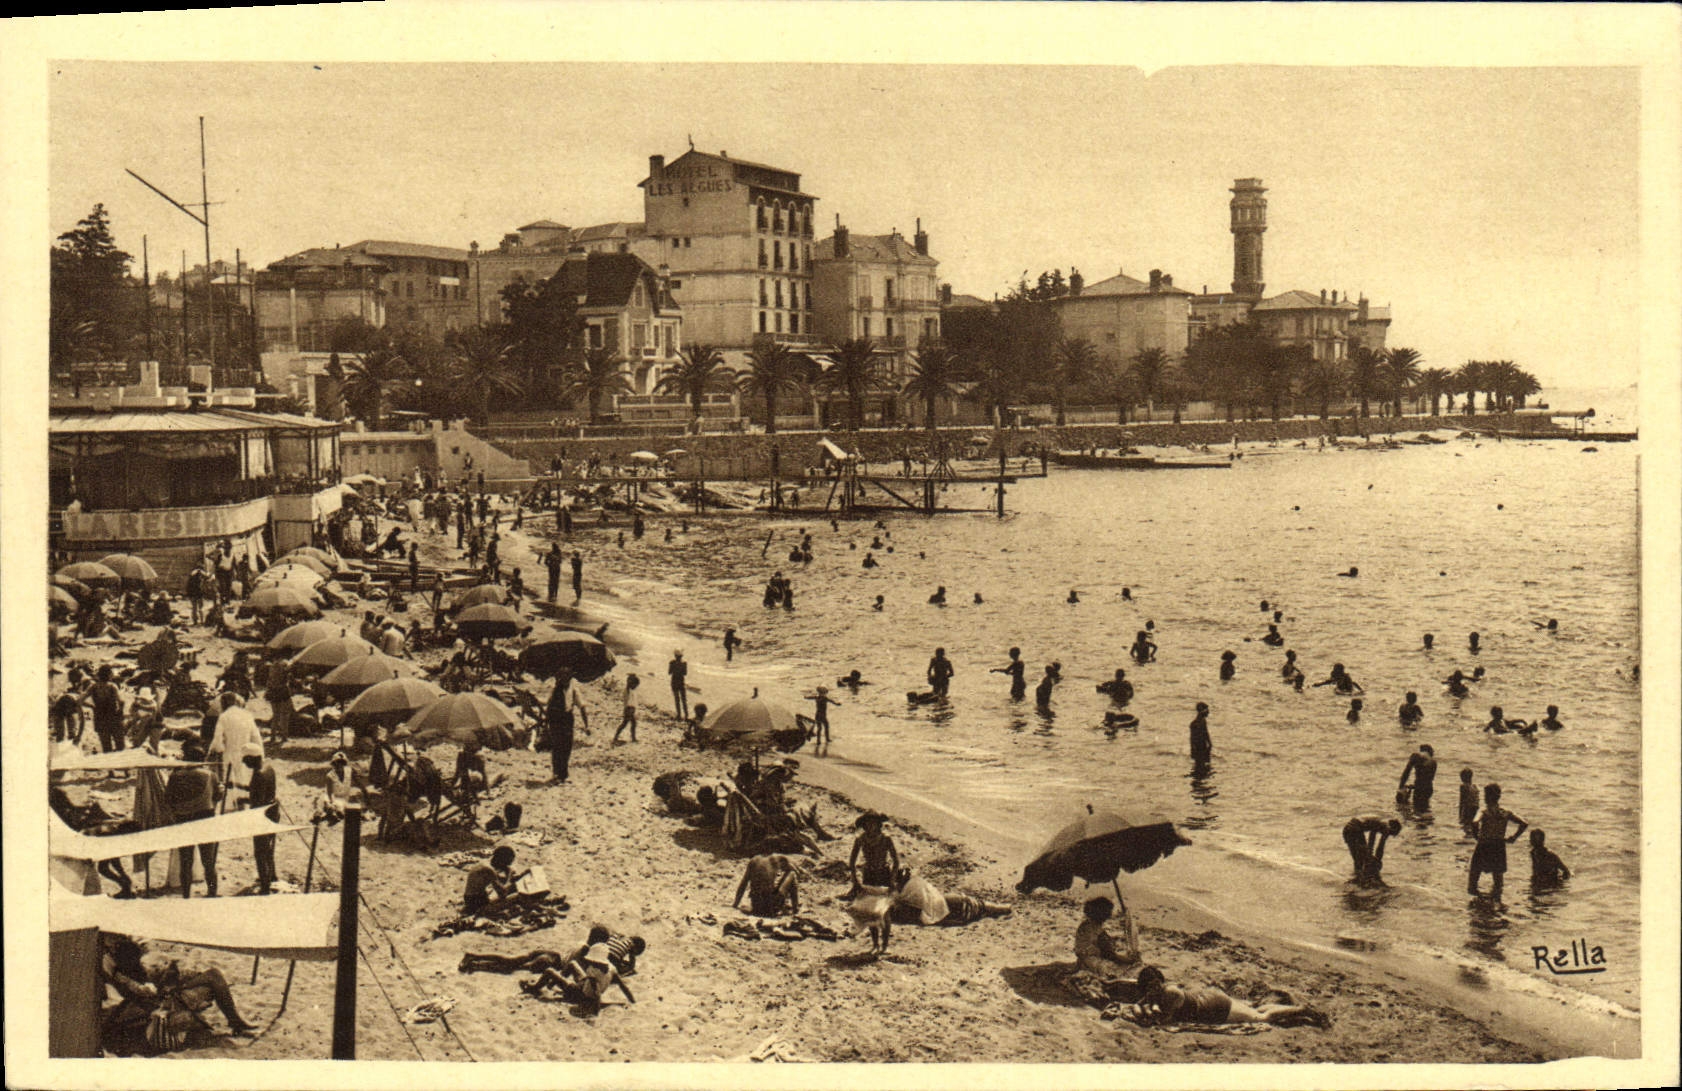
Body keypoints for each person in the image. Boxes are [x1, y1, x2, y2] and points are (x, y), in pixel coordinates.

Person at [100, 934, 257, 1050]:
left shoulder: (122, 967)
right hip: (169, 998)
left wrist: (162, 969)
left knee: (211, 975)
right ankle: (235, 1021)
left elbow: (148, 971)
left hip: (168, 987)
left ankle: (235, 1021)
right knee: (214, 977)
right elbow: (149, 991)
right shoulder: (127, 975)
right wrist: (159, 975)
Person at [1135, 966, 1327, 1029]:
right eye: (1149, 987)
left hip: (1213, 1009)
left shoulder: (1170, 993)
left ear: (1160, 982)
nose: (1152, 990)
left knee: (1261, 1018)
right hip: (1211, 998)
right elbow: (1143, 1002)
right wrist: (1144, 1004)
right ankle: (1298, 1012)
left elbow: (1165, 1020)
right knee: (1255, 1011)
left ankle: (1302, 1010)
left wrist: (1146, 1014)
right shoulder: (1162, 990)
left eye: (1155, 985)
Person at [165, 740, 223, 897]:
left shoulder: (175, 776)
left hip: (183, 821)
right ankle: (212, 892)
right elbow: (218, 796)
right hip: (205, 821)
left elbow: (168, 799)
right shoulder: (210, 775)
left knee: (186, 862)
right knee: (209, 861)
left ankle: (186, 895)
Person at [1468, 783, 1528, 899]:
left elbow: (1475, 822)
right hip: (1498, 846)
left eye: (1485, 795)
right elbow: (1524, 823)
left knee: (1474, 876)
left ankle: (1477, 901)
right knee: (1498, 881)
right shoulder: (1505, 812)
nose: (1484, 797)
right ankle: (1496, 902)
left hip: (1484, 845)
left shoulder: (1484, 811)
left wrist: (1476, 836)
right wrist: (1514, 837)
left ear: (1487, 796)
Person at [1074, 896, 1142, 994]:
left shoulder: (1086, 925)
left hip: (1083, 960)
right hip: (1092, 961)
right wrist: (1128, 960)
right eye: (1108, 912)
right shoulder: (1097, 931)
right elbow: (1110, 955)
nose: (1110, 915)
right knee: (1118, 970)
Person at [242, 750, 278, 895]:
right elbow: (256, 789)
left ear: (254, 758)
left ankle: (265, 886)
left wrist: (243, 800)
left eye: (246, 759)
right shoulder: (267, 768)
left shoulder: (258, 774)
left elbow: (258, 802)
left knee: (260, 852)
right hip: (273, 812)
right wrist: (237, 785)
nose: (244, 763)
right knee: (268, 848)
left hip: (262, 816)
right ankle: (272, 875)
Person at [463, 845, 529, 915]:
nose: (506, 866)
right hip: (475, 904)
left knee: (507, 887)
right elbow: (503, 894)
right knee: (516, 896)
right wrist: (509, 874)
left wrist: (517, 875)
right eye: (506, 863)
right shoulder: (489, 870)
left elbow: (498, 880)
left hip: (472, 898)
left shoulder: (485, 863)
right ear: (501, 861)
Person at [734, 853, 801, 917]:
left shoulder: (753, 860)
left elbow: (743, 884)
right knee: (792, 874)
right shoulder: (777, 858)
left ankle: (787, 906)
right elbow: (796, 871)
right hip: (771, 908)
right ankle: (795, 909)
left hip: (756, 907)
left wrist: (735, 904)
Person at [1342, 815, 1402, 885]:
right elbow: (1372, 839)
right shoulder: (1383, 826)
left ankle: (1358, 874)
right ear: (1393, 828)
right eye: (1392, 833)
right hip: (1353, 829)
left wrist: (1368, 855)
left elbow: (1373, 838)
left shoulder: (1382, 823)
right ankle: (1360, 877)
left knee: (1359, 857)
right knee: (1361, 857)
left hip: (1351, 828)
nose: (1390, 835)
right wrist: (1369, 855)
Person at [849, 812, 900, 891]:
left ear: (878, 824)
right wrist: (855, 881)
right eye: (868, 822)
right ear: (864, 825)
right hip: (868, 875)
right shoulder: (860, 839)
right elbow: (852, 861)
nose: (870, 825)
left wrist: (892, 880)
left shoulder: (886, 839)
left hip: (884, 874)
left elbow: (896, 861)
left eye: (873, 822)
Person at [546, 674, 576, 783]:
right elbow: (549, 705)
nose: (566, 681)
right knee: (558, 747)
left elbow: (580, 705)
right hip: (557, 720)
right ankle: (557, 773)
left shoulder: (573, 689)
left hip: (567, 719)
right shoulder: (555, 691)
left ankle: (563, 773)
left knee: (567, 746)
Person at [90, 666, 125, 754]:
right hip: (113, 716)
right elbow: (121, 701)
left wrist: (92, 706)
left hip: (100, 717)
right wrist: (121, 711)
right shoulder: (112, 686)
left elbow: (79, 700)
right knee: (120, 745)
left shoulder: (93, 687)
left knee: (106, 746)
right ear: (109, 675)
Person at [1397, 744, 1438, 811]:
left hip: (1419, 789)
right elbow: (1427, 780)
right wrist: (1414, 786)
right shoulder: (1433, 762)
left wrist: (1400, 787)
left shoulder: (1416, 756)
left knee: (1415, 809)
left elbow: (1406, 772)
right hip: (1428, 789)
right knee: (1424, 808)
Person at [613, 673, 641, 745]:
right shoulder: (628, 690)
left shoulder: (631, 690)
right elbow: (628, 685)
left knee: (632, 724)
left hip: (631, 709)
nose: (636, 687)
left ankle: (633, 738)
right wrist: (630, 678)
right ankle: (616, 737)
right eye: (635, 685)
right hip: (628, 710)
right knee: (625, 724)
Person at [667, 651, 690, 719]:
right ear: (681, 656)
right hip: (681, 682)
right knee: (684, 700)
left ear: (675, 656)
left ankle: (679, 715)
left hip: (674, 682)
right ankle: (686, 715)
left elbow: (669, 672)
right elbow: (685, 673)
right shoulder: (684, 663)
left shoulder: (672, 662)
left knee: (677, 700)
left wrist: (674, 669)